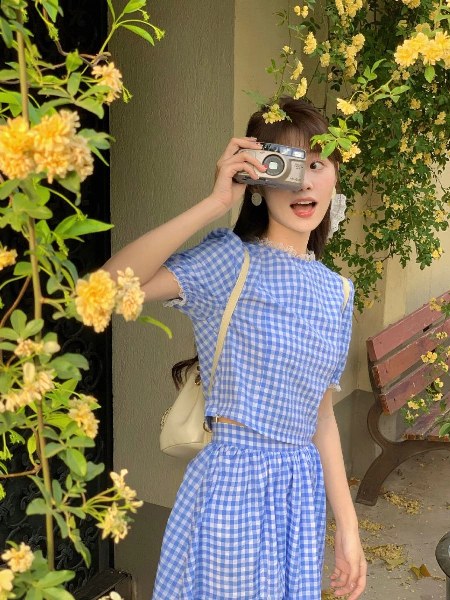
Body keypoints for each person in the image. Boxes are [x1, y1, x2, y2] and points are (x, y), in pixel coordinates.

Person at [104, 97, 367, 600]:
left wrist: (348, 530)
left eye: (317, 164)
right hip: (233, 489)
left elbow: (322, 417)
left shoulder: (337, 292)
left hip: (300, 496)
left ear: (335, 176)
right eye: (286, 166)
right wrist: (214, 203)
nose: (304, 184)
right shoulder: (230, 263)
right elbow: (109, 289)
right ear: (258, 181)